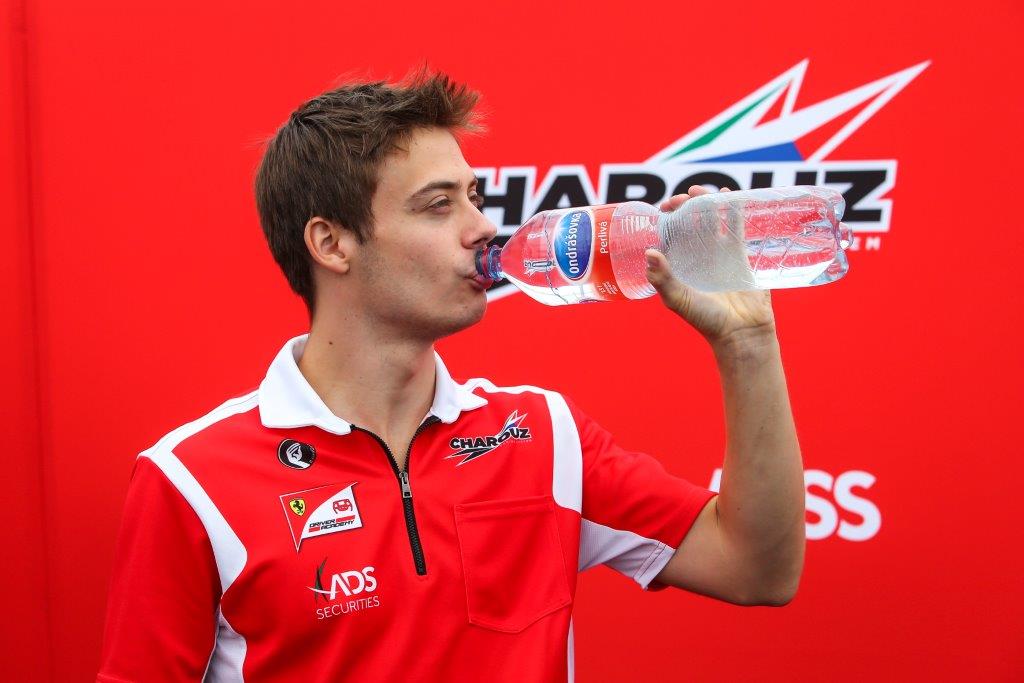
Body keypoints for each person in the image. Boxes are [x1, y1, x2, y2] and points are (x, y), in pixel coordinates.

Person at [97, 69, 805, 683]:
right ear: (331, 243)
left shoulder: (544, 435)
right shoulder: (189, 480)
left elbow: (757, 568)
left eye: (474, 196)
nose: (482, 227)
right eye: (439, 205)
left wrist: (748, 343)